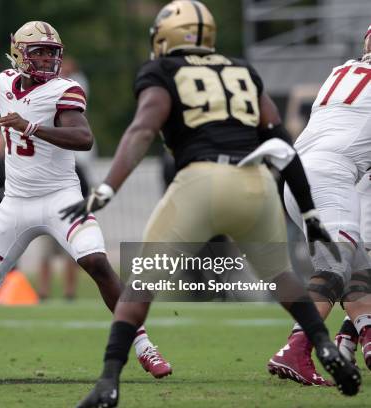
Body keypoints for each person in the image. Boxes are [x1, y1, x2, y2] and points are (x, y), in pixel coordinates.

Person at [60, 2, 361, 406]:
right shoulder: (241, 70)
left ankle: (109, 380)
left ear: (168, 35)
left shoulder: (162, 70)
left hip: (200, 184)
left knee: (141, 284)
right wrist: (308, 212)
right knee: (283, 278)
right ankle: (322, 346)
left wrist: (107, 189)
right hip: (255, 185)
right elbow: (281, 145)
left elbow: (141, 131)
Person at [0, 20, 171, 383]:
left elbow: (83, 137)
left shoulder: (63, 90)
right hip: (16, 203)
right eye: (38, 51)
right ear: (18, 55)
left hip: (61, 197)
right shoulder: (4, 84)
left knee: (97, 263)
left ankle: (144, 346)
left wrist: (31, 127)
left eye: (51, 52)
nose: (46, 59)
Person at [267, 24, 371, 384]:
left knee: (359, 271)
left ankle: (365, 337)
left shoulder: (342, 71)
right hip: (330, 176)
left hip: (298, 175)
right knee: (335, 269)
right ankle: (295, 349)